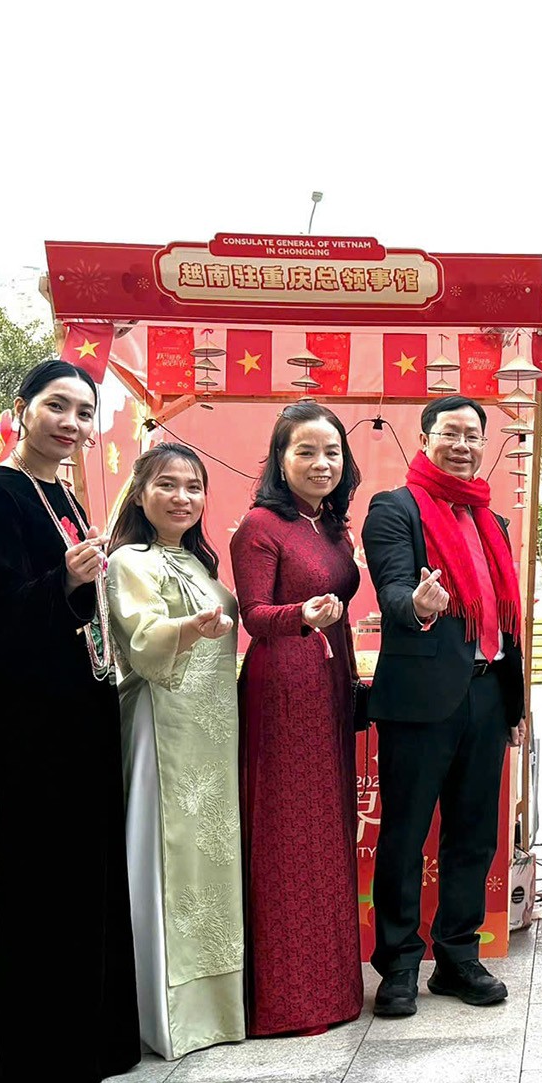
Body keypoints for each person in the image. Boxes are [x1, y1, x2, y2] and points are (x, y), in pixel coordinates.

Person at [0, 359, 141, 1083]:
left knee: (88, 869)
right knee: (44, 875)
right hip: (33, 721)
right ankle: (43, 1054)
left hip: (85, 705)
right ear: (22, 408)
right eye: (57, 406)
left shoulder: (63, 494)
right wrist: (64, 583)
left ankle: (96, 1036)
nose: (71, 423)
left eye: (83, 412)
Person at [362, 395, 526, 1017]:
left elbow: (506, 621)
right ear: (425, 439)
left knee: (474, 835)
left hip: (487, 694)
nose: (462, 446)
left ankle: (458, 957)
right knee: (405, 835)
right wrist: (417, 606)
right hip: (421, 700)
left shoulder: (492, 520)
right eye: (450, 433)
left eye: (473, 436)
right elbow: (393, 587)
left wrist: (513, 703)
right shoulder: (394, 508)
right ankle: (400, 965)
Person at [106, 445, 248, 1059]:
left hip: (212, 736)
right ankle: (166, 1017)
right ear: (140, 494)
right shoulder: (128, 562)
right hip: (161, 726)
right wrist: (191, 629)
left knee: (209, 863)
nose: (182, 498)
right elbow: (141, 639)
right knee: (167, 862)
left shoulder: (198, 562)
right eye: (167, 485)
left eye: (194, 487)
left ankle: (216, 1010)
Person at [232, 402, 365, 1035]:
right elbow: (253, 615)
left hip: (330, 681)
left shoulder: (332, 525)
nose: (321, 463)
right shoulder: (260, 525)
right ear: (279, 460)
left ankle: (334, 988)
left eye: (331, 452)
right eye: (305, 451)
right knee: (289, 833)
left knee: (328, 829)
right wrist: (302, 616)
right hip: (284, 684)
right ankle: (291, 1000)